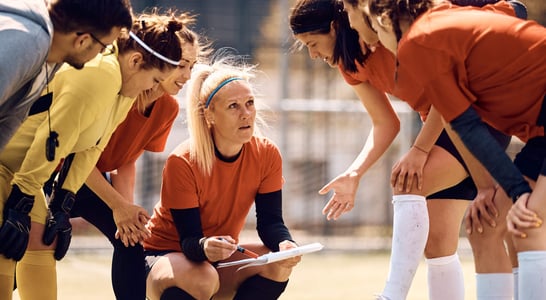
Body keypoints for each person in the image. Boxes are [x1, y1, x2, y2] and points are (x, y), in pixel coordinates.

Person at [289, 0, 522, 299]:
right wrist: (354, 173)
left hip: (475, 112)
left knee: (409, 181)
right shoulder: (350, 64)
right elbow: (385, 123)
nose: (312, 54)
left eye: (313, 43)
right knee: (437, 243)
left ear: (335, 27)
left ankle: (392, 295)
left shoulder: (391, 32)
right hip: (440, 124)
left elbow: (450, 87)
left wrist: (420, 150)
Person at [361, 0, 545, 299]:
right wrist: (501, 189)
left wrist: (518, 194)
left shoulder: (420, 42)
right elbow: (466, 126)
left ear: (384, 21)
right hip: (540, 133)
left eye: (373, 29)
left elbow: (467, 125)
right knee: (484, 227)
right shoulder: (434, 30)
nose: (374, 41)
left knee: (528, 221)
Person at [0, 13, 183, 300]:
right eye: (155, 80)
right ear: (135, 61)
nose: (152, 89)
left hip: (22, 173)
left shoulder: (124, 89)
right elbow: (54, 139)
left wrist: (63, 201)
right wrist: (20, 201)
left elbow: (90, 148)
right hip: (7, 166)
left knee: (41, 244)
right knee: (7, 252)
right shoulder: (101, 74)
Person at [67, 12, 208, 300]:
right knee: (32, 242)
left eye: (192, 66)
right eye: (181, 65)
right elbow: (78, 156)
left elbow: (127, 159)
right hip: (61, 172)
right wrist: (118, 206)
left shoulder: (167, 108)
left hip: (95, 181)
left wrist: (126, 213)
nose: (187, 76)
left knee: (132, 241)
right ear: (161, 59)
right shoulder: (116, 92)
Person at [143, 56, 301, 300]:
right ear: (210, 115)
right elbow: (189, 240)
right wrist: (205, 247)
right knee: (203, 278)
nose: (246, 114)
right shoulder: (183, 161)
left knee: (278, 264)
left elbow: (270, 222)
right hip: (168, 253)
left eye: (250, 103)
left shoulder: (267, 153)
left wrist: (285, 244)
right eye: (233, 106)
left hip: (216, 256)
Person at [0, 0, 133, 151]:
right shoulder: (27, 43)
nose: (101, 54)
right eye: (103, 47)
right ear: (83, 41)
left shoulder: (52, 57)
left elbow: (10, 121)